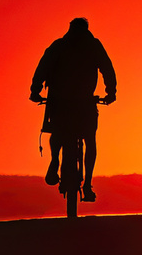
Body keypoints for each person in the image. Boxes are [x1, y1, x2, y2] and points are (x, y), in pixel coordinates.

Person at [29, 17, 116, 202]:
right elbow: (107, 68)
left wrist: (35, 91)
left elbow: (42, 67)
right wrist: (111, 93)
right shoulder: (93, 46)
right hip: (85, 102)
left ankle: (55, 161)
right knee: (90, 140)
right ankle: (87, 186)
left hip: (59, 101)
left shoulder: (59, 45)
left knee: (57, 133)